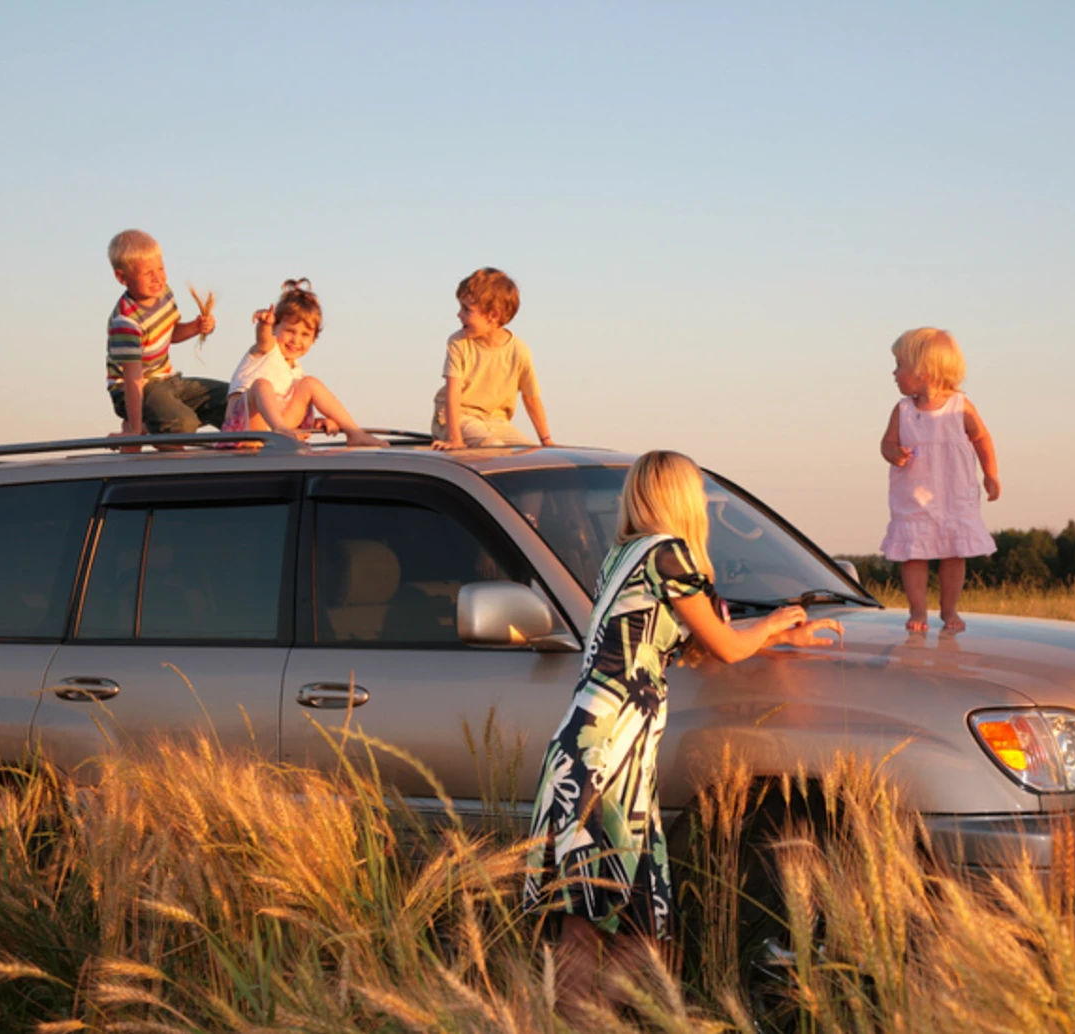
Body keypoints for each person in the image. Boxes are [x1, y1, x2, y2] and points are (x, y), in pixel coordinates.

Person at [522, 450, 841, 1013]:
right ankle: (588, 1021)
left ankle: (583, 1020)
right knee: (614, 926)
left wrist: (779, 636)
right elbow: (724, 647)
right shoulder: (667, 554)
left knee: (604, 923)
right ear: (682, 498)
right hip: (607, 754)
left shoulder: (624, 555)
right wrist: (774, 622)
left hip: (594, 745)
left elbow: (694, 640)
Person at [878, 327, 1000, 632]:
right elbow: (886, 443)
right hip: (914, 498)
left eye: (899, 365)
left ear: (923, 370)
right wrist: (893, 452)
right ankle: (918, 610)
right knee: (914, 556)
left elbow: (982, 438)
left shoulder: (960, 407)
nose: (894, 373)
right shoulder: (903, 410)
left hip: (952, 495)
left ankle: (950, 611)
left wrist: (991, 474)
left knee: (953, 553)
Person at [220, 279, 386, 448]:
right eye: (290, 331)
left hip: (277, 430)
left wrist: (316, 422)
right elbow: (264, 339)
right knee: (262, 385)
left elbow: (286, 405)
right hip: (248, 427)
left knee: (309, 383)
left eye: (305, 335)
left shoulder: (296, 372)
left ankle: (354, 432)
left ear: (314, 339)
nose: (296, 340)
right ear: (275, 327)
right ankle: (281, 430)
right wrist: (264, 324)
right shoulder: (267, 351)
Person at [104, 229, 229, 439]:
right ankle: (144, 427)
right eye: (147, 273)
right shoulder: (126, 322)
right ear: (122, 277)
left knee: (233, 399)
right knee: (181, 424)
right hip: (132, 391)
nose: (157, 278)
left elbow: (170, 334)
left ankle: (159, 422)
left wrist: (196, 326)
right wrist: (135, 431)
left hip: (167, 382)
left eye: (160, 268)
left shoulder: (164, 294)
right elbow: (133, 379)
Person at [429, 267, 554, 449]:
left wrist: (546, 441)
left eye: (466, 309)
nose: (459, 314)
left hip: (496, 422)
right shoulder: (459, 343)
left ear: (493, 316)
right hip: (457, 417)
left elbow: (531, 398)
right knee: (493, 447)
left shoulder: (519, 351)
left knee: (529, 453)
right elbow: (453, 393)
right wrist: (455, 439)